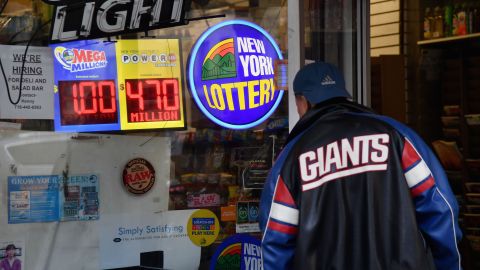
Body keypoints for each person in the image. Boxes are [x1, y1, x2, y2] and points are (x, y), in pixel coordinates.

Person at [259, 61, 462, 270]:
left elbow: (275, 238)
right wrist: (450, 265)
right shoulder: (397, 136)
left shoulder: (292, 157)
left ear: (302, 102)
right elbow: (441, 207)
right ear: (342, 93)